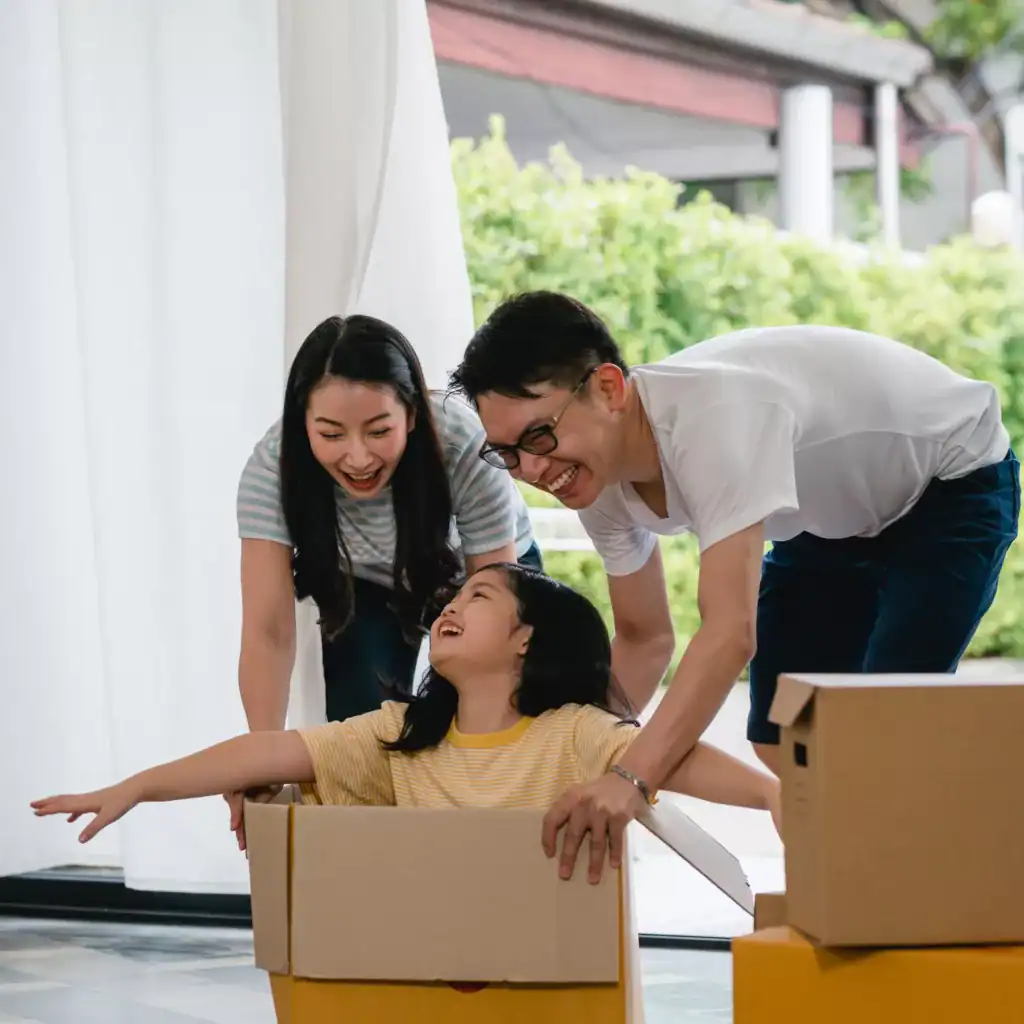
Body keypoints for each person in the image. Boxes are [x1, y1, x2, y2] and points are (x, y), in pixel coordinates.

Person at [449, 290, 1020, 880]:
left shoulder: (713, 420)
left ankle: (933, 888)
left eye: (539, 437)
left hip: (951, 480)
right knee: (780, 734)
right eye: (508, 454)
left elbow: (728, 633)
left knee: (882, 734)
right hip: (828, 520)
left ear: (610, 389)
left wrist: (628, 778)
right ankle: (852, 890)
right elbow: (645, 641)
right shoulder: (597, 482)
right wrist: (562, 758)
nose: (534, 472)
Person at [32, 565, 779, 886]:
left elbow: (671, 760)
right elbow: (266, 751)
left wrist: (774, 795)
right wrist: (138, 786)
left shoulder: (575, 734)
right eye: (454, 596)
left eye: (479, 597)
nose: (451, 607)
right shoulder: (398, 736)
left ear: (527, 638)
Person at [227, 314, 539, 848]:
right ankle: (378, 875)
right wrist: (261, 759)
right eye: (330, 434)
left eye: (378, 430)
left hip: (486, 577)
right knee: (358, 733)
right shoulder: (271, 469)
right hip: (368, 585)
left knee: (512, 722)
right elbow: (268, 631)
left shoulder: (462, 439)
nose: (358, 456)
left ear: (412, 415)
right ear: (303, 423)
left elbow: (494, 603)